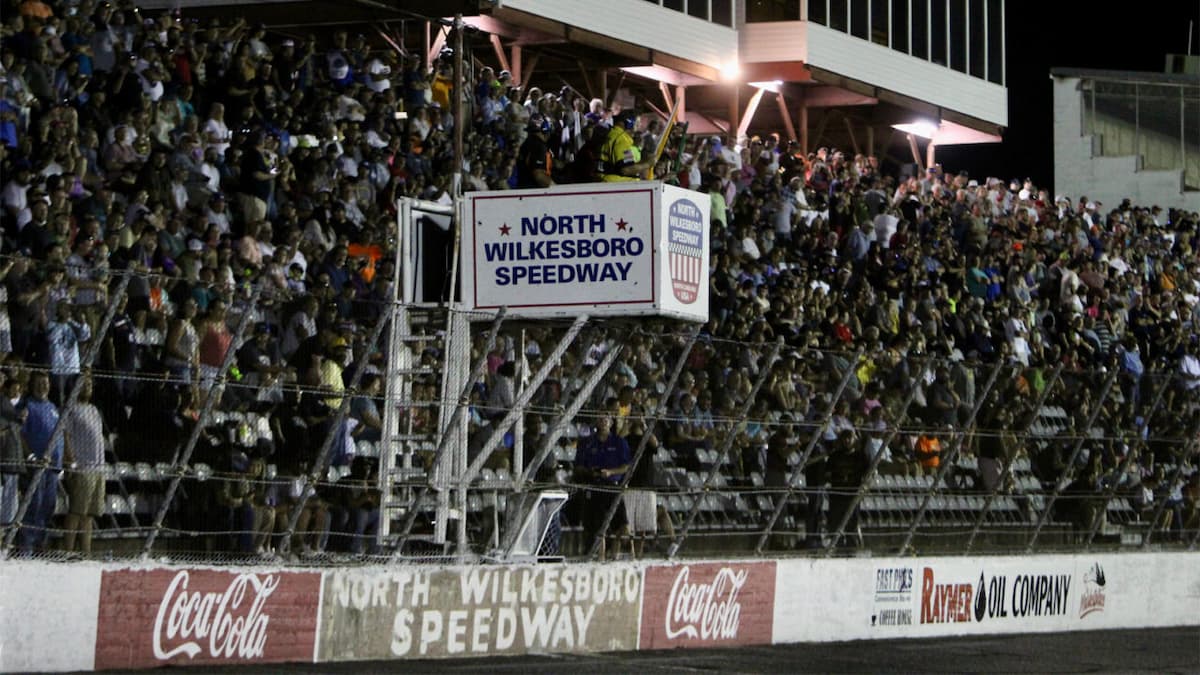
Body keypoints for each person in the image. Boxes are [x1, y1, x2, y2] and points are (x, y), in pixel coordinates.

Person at [573, 415, 631, 560]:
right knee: (598, 525)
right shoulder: (587, 443)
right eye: (600, 418)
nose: (603, 421)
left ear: (611, 422)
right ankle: (601, 556)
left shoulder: (619, 442)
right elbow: (579, 466)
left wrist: (611, 472)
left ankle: (617, 554)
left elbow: (625, 467)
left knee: (622, 524)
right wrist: (590, 472)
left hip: (613, 486)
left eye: (606, 419)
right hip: (595, 486)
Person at [18, 371, 62, 553]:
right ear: (32, 385)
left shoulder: (52, 407)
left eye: (46, 383)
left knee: (47, 507)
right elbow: (20, 433)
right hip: (36, 467)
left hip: (53, 468)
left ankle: (40, 546)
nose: (43, 386)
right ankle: (26, 547)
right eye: (39, 383)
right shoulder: (27, 406)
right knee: (33, 506)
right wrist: (30, 457)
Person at [63, 376, 105, 555]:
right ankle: (68, 551)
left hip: (98, 467)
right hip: (82, 466)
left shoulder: (93, 409)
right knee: (76, 512)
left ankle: (86, 552)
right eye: (85, 385)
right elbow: (65, 435)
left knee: (89, 514)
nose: (88, 388)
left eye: (90, 385)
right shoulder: (71, 409)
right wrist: (71, 461)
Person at [599, 110, 651, 182]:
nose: (639, 126)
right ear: (629, 122)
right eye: (637, 122)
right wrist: (648, 163)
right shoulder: (621, 139)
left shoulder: (612, 134)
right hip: (617, 188)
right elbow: (626, 169)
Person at [514, 114, 554, 189]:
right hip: (533, 190)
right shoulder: (539, 146)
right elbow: (538, 175)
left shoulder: (526, 143)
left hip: (523, 187)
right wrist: (555, 187)